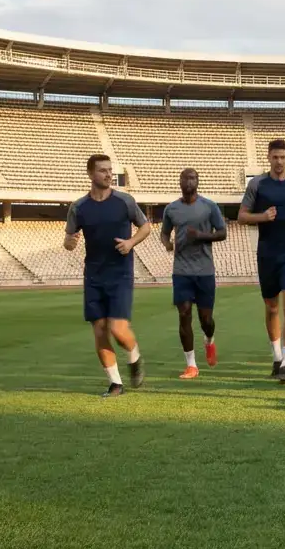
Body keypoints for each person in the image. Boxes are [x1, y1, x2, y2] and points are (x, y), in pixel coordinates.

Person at [63, 154, 153, 397]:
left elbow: (145, 226)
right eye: (103, 170)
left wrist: (131, 242)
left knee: (118, 328)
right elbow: (68, 240)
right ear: (91, 174)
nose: (108, 174)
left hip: (120, 273)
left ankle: (134, 357)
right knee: (100, 330)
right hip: (93, 275)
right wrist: (70, 242)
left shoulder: (125, 201)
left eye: (110, 170)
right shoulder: (79, 207)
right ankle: (115, 384)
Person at [238, 139, 285, 384]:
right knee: (271, 307)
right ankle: (277, 356)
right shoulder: (257, 184)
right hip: (267, 253)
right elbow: (241, 217)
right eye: (275, 157)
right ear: (268, 158)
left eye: (283, 157)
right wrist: (263, 216)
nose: (279, 161)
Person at [161, 168, 228, 380]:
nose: (189, 181)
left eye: (192, 178)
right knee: (184, 314)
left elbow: (222, 232)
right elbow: (164, 233)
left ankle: (209, 340)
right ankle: (191, 365)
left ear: (198, 181)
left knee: (205, 318)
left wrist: (200, 235)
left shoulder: (209, 206)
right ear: (180, 181)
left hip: (204, 270)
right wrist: (168, 244)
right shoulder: (171, 209)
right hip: (181, 271)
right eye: (185, 178)